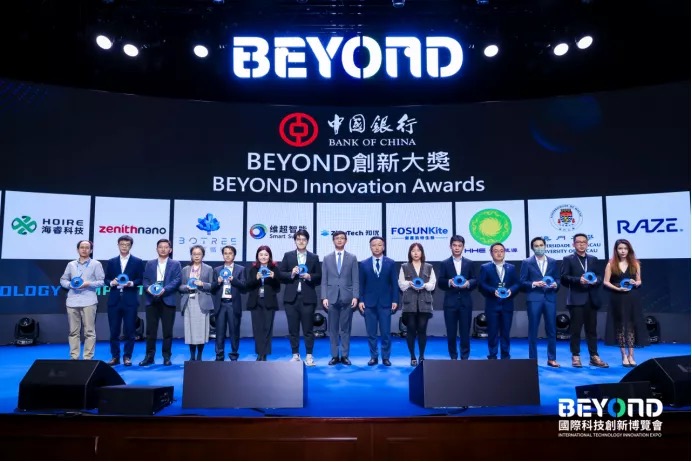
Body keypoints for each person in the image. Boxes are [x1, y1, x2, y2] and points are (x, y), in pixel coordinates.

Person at [560, 233, 608, 368]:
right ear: (573, 244)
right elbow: (564, 278)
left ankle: (594, 356)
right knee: (575, 330)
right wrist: (578, 280)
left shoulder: (593, 259)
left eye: (584, 242)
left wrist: (596, 281)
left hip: (591, 299)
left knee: (591, 330)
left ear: (587, 244)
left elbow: (599, 276)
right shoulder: (568, 259)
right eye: (578, 242)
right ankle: (575, 356)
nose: (581, 244)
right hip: (576, 299)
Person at [278, 229, 322, 366]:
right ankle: (295, 355)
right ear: (295, 241)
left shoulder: (314, 257)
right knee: (293, 329)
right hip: (291, 299)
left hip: (308, 298)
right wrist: (291, 274)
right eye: (298, 239)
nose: (301, 241)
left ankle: (309, 356)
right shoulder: (288, 256)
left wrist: (310, 276)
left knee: (308, 329)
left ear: (307, 241)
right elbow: (280, 274)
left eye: (304, 239)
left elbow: (319, 277)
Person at [59, 240, 105, 360]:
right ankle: (74, 357)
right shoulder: (71, 264)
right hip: (72, 301)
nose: (84, 249)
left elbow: (101, 282)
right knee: (73, 331)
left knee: (89, 331)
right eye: (82, 247)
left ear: (91, 250)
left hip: (89, 300)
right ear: (78, 249)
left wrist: (88, 284)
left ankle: (88, 358)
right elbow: (63, 280)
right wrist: (70, 285)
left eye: (87, 247)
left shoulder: (96, 264)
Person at [519, 237, 560, 367]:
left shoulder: (553, 262)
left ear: (545, 246)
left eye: (541, 245)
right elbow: (522, 282)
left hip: (550, 298)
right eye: (536, 246)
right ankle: (533, 360)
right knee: (533, 330)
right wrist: (534, 283)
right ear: (532, 248)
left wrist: (556, 284)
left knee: (552, 329)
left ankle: (552, 358)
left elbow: (558, 279)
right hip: (534, 299)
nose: (539, 247)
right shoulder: (527, 262)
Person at [603, 239, 645, 367]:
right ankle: (624, 355)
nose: (623, 251)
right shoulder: (611, 264)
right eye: (620, 248)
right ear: (616, 250)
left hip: (632, 297)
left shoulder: (635, 264)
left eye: (625, 248)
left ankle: (631, 355)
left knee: (631, 326)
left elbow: (639, 281)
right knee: (620, 326)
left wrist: (636, 283)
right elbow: (606, 282)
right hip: (618, 297)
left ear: (629, 250)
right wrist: (617, 289)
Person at [104, 235, 144, 366]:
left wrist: (131, 283)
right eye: (122, 244)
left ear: (130, 246)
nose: (124, 247)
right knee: (114, 331)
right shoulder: (112, 262)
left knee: (130, 331)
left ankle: (127, 357)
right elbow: (106, 279)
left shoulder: (137, 261)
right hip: (114, 301)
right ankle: (115, 357)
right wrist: (112, 282)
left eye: (127, 245)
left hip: (130, 300)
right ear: (118, 245)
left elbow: (141, 279)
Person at [141, 238, 182, 366]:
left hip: (167, 299)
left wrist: (164, 289)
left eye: (166, 247)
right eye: (160, 247)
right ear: (157, 249)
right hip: (152, 300)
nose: (163, 249)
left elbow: (177, 280)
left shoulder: (175, 264)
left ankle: (166, 357)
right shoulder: (150, 263)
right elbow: (145, 280)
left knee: (167, 331)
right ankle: (149, 357)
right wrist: (149, 289)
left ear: (170, 250)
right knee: (150, 331)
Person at [359, 236, 399, 366]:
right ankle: (374, 357)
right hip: (369, 303)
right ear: (370, 247)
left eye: (379, 245)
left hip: (385, 303)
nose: (377, 247)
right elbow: (361, 284)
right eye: (374, 245)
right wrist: (361, 300)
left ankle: (386, 357)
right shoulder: (363, 264)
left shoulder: (391, 263)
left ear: (384, 247)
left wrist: (395, 300)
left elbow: (394, 283)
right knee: (371, 333)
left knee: (386, 332)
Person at [321, 231, 359, 366]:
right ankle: (334, 356)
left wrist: (355, 296)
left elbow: (355, 279)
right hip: (331, 297)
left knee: (345, 329)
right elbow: (324, 279)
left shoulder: (352, 258)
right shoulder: (327, 258)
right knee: (333, 329)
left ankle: (344, 356)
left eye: (342, 238)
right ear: (333, 241)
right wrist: (324, 297)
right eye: (337, 238)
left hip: (347, 297)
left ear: (346, 241)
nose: (339, 240)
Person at [437, 235, 478, 360]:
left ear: (463, 247)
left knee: (465, 332)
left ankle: (465, 357)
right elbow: (440, 282)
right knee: (451, 332)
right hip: (450, 303)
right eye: (454, 245)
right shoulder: (444, 263)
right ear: (450, 247)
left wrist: (468, 283)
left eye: (459, 246)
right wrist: (449, 282)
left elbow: (475, 280)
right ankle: (453, 357)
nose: (457, 248)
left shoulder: (469, 263)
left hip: (465, 302)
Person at [478, 242, 520, 360]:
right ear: (491, 253)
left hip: (507, 305)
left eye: (501, 251)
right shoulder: (485, 267)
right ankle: (492, 355)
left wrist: (511, 290)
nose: (499, 253)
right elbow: (481, 284)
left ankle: (505, 356)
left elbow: (517, 283)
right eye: (496, 251)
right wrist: (493, 290)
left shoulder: (511, 268)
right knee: (492, 332)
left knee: (505, 332)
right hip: (492, 304)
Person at [398, 242, 436, 366]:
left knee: (422, 330)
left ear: (422, 253)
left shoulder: (429, 267)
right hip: (410, 304)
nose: (416, 253)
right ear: (410, 253)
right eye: (413, 250)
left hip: (425, 304)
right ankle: (412, 356)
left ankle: (422, 356)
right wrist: (409, 283)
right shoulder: (404, 266)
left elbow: (432, 284)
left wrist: (424, 285)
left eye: (418, 250)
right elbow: (401, 284)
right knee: (411, 330)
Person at [179, 245, 214, 361]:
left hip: (202, 301)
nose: (196, 256)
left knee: (200, 331)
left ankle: (199, 355)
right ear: (191, 255)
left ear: (203, 255)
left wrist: (202, 284)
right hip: (189, 301)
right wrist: (186, 287)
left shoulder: (208, 269)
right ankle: (192, 355)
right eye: (194, 254)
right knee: (190, 330)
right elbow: (180, 286)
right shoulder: (185, 269)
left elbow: (212, 286)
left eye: (199, 254)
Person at [245, 246, 281, 361]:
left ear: (269, 256)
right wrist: (256, 278)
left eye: (266, 254)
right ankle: (259, 353)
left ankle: (264, 353)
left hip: (269, 301)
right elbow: (248, 286)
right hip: (256, 302)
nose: (263, 257)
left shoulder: (274, 269)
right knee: (257, 329)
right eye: (261, 255)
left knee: (267, 328)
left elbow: (278, 288)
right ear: (257, 256)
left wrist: (274, 277)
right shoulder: (253, 269)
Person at [212, 245, 246, 361]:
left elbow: (244, 286)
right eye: (225, 253)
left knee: (234, 331)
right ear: (223, 255)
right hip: (221, 304)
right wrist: (218, 282)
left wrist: (234, 280)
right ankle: (219, 355)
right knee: (219, 332)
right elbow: (212, 288)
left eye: (230, 253)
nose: (227, 255)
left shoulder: (240, 269)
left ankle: (234, 355)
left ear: (234, 255)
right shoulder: (217, 270)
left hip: (233, 304)